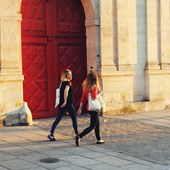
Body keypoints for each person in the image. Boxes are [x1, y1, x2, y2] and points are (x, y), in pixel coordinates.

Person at [48, 69, 78, 145]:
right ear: (66, 75)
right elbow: (66, 92)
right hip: (68, 104)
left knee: (58, 119)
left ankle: (51, 133)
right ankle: (77, 134)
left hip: (61, 104)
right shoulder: (68, 83)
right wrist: (65, 101)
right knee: (74, 118)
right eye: (70, 74)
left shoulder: (61, 82)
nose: (71, 76)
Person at [76, 71, 105, 146]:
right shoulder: (94, 87)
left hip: (89, 108)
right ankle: (79, 136)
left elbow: (83, 99)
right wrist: (100, 93)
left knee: (97, 123)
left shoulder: (86, 87)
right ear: (95, 79)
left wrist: (80, 108)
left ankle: (99, 139)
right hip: (95, 108)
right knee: (92, 126)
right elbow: (94, 97)